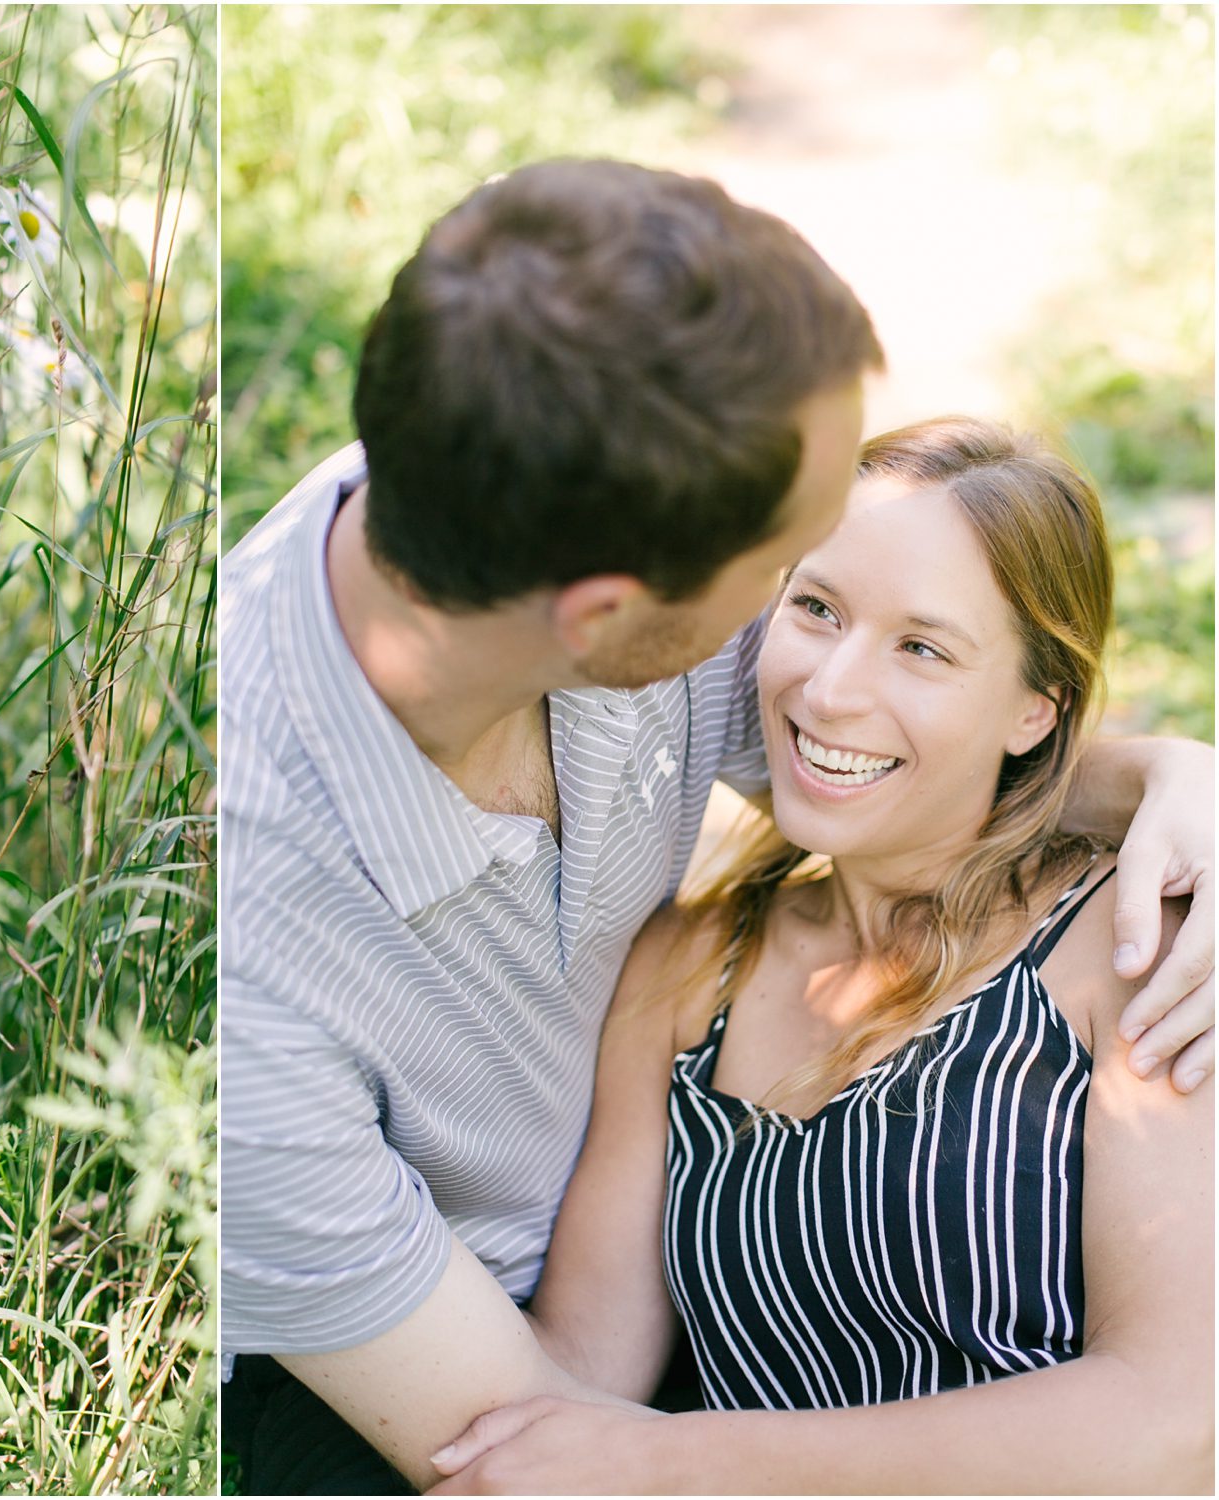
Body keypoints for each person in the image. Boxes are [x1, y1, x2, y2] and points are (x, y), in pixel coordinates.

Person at [218, 158, 1216, 1494]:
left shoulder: (561, 479)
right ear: (604, 618)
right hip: (414, 1349)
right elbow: (528, 1435)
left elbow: (1172, 1416)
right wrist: (658, 1457)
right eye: (793, 587)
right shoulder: (244, 956)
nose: (811, 673)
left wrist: (1174, 781)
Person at [429, 419, 1212, 1493]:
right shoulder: (686, 969)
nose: (831, 689)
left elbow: (1173, 1423)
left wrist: (669, 1461)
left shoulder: (1129, 950)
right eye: (816, 609)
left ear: (1036, 710)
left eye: (922, 648)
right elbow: (586, 1370)